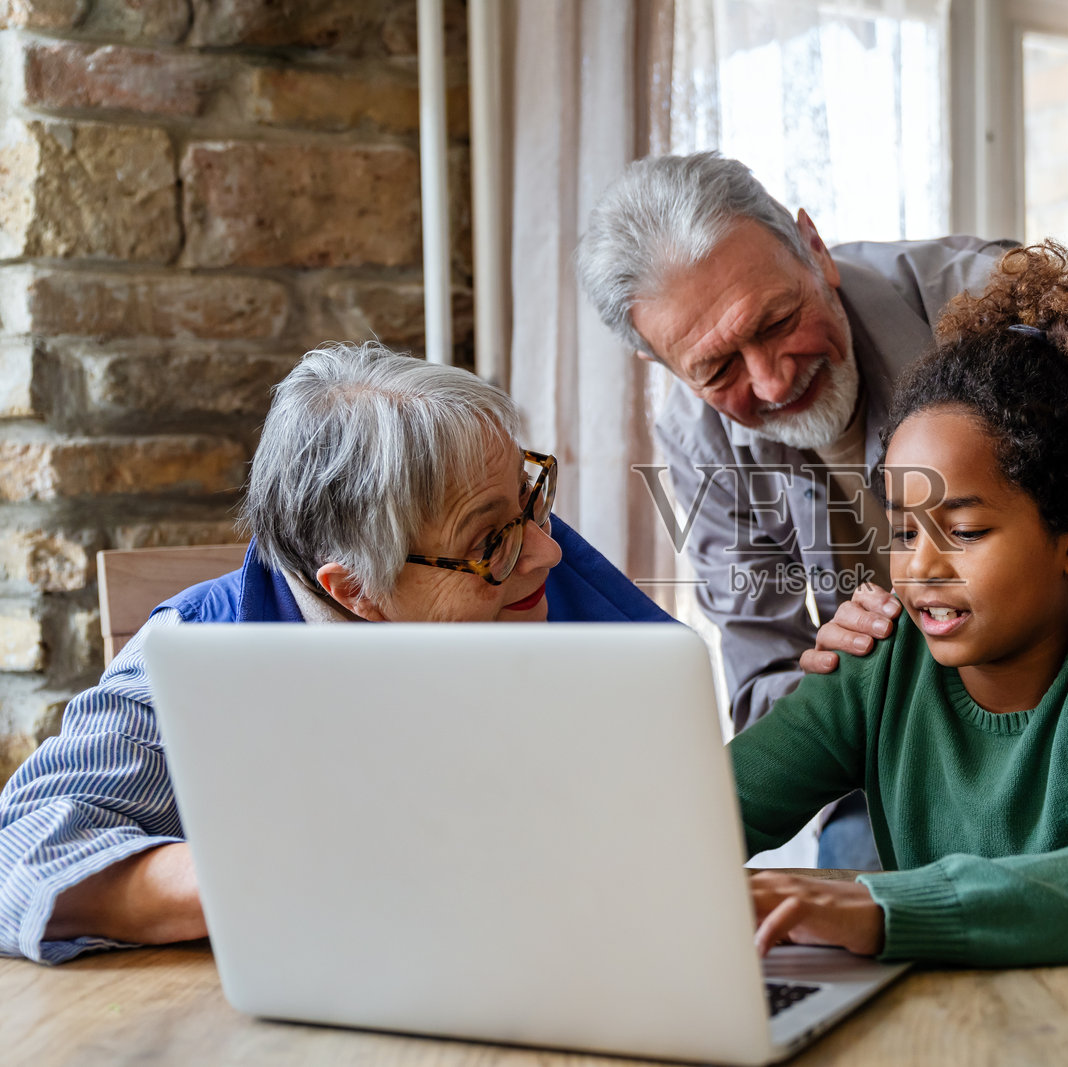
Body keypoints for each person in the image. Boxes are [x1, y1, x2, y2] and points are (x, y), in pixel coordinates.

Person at [0, 341, 864, 965]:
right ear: (353, 590)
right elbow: (19, 855)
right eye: (488, 540)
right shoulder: (201, 649)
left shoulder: (534, 566)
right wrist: (286, 863)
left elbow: (679, 811)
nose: (545, 552)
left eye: (532, 502)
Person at [576, 153, 1068, 866]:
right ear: (662, 363)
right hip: (890, 770)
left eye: (776, 320)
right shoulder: (698, 441)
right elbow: (764, 689)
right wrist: (853, 676)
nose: (770, 380)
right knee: (858, 851)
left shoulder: (1005, 313)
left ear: (814, 249)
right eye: (717, 367)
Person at [731, 244, 1068, 964]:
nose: (919, 566)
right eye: (900, 530)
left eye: (965, 530)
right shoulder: (877, 670)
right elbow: (699, 819)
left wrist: (891, 905)